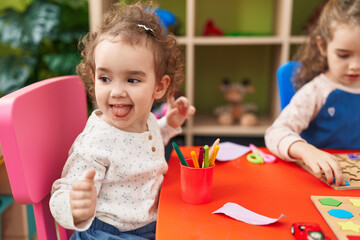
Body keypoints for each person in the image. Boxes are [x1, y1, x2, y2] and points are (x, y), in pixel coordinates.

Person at [49, 2, 195, 239]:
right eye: (105, 78)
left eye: (132, 80)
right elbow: (62, 193)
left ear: (159, 87)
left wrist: (170, 124)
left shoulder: (144, 120)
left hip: (152, 224)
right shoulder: (96, 140)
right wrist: (73, 206)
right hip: (108, 233)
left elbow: (147, 140)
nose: (116, 91)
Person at [265, 0, 360, 187]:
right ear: (323, 46)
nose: (355, 66)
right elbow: (275, 133)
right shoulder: (316, 91)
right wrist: (307, 151)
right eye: (343, 55)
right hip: (320, 180)